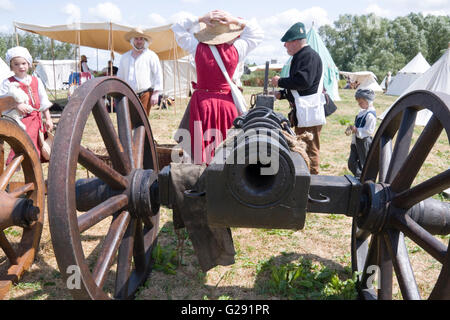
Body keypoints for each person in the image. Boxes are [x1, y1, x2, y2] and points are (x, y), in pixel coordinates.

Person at [172, 10, 263, 164]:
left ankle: (200, 174)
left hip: (202, 104)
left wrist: (200, 18)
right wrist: (234, 20)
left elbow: (177, 28)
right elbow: (257, 32)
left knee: (200, 151)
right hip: (227, 104)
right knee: (227, 149)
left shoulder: (196, 47)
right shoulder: (237, 49)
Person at [270, 21, 325, 174]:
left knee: (310, 149)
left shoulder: (308, 56)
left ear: (295, 41)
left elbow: (303, 82)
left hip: (310, 112)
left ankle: (313, 181)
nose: (285, 46)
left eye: (287, 42)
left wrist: (279, 81)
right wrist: (281, 94)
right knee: (301, 147)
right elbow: (300, 89)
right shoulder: (301, 56)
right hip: (304, 110)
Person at [0, 46, 54, 162]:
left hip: (37, 121)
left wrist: (48, 119)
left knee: (38, 148)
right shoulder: (7, 83)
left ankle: (35, 173)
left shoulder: (36, 80)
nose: (21, 67)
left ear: (29, 64)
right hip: (21, 120)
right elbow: (3, 101)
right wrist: (16, 105)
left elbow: (43, 101)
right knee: (24, 147)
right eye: (16, 64)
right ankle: (20, 163)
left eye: (24, 63)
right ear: (11, 66)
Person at [117, 27, 163, 117]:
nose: (139, 41)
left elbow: (158, 74)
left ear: (144, 41)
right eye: (136, 39)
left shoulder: (151, 56)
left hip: (145, 94)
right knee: (128, 122)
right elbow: (120, 76)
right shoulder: (125, 57)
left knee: (143, 123)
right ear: (132, 41)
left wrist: (156, 93)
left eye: (141, 39)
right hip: (129, 94)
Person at [346, 89, 376, 178]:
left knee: (364, 163)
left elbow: (369, 131)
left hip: (364, 142)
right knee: (351, 163)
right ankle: (359, 176)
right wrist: (351, 128)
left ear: (368, 101)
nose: (359, 104)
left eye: (361, 102)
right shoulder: (362, 112)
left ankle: (362, 179)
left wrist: (357, 130)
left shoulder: (370, 115)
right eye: (358, 102)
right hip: (356, 141)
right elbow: (357, 125)